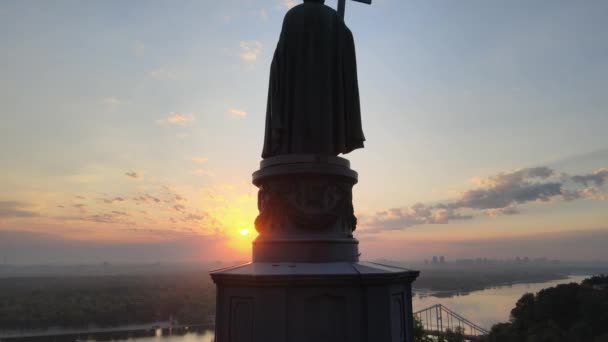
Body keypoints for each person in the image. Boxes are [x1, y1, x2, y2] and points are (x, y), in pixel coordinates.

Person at [262, 0, 365, 158]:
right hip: (326, 99)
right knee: (323, 122)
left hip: (296, 97)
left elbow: (280, 61)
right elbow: (346, 60)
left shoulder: (292, 15)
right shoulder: (333, 17)